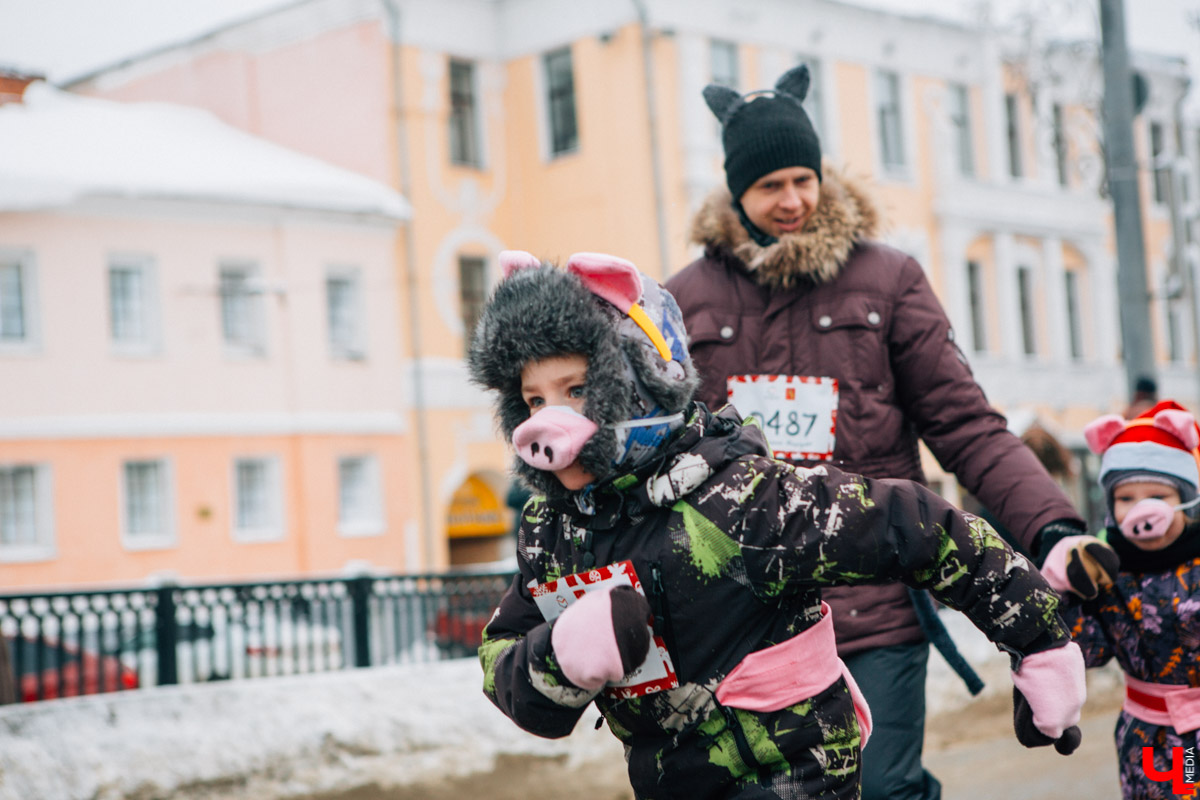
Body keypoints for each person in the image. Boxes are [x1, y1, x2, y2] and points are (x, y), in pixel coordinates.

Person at [468, 249, 1085, 800]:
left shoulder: (743, 499)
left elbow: (921, 527)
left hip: (799, 773)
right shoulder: (553, 532)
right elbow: (504, 662)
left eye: (575, 390)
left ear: (639, 385)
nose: (544, 423)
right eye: (532, 401)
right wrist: (562, 657)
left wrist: (1042, 646)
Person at [665, 64, 1104, 800]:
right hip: (742, 618)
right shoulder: (684, 298)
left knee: (879, 788)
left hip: (875, 603)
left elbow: (965, 424)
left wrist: (1053, 528)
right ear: (736, 191)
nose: (793, 199)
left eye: (804, 179)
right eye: (771, 185)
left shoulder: (888, 279)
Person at [1040, 400, 1200, 799]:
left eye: (1157, 496)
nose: (1140, 510)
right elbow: (1090, 650)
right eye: (1125, 498)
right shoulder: (1109, 572)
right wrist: (1064, 594)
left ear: (1184, 498)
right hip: (1146, 731)